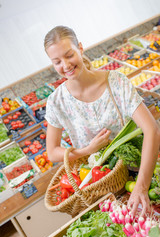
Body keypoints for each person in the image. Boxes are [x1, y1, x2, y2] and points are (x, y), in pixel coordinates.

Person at [44, 25, 160, 217]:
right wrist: (87, 151)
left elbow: (152, 130)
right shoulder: (56, 102)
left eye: (69, 55)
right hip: (98, 189)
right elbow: (52, 152)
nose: (65, 65)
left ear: (80, 48)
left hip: (141, 174)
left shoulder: (116, 82)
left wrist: (141, 186)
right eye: (57, 62)